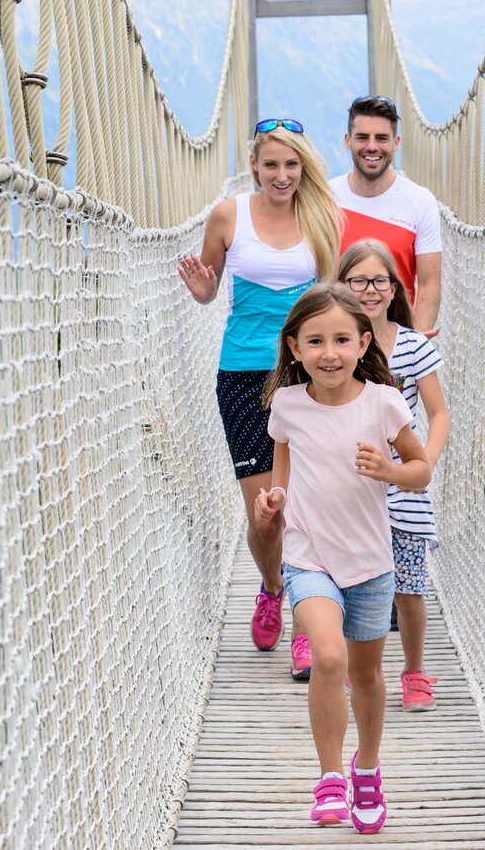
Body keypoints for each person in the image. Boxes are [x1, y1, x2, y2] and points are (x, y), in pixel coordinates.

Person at [251, 284, 432, 833]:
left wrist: (391, 472)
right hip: (309, 556)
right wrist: (273, 503)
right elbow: (282, 472)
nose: (328, 352)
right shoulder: (287, 405)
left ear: (363, 343)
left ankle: (367, 770)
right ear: (294, 347)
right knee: (328, 658)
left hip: (371, 562)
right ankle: (330, 776)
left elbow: (420, 472)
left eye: (340, 340)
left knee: (368, 672)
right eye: (315, 341)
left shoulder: (384, 402)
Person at [178, 118, 344, 653]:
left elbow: (334, 302)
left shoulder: (323, 217)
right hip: (243, 375)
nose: (281, 175)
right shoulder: (228, 215)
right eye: (271, 164)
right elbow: (209, 290)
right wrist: (204, 289)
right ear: (253, 165)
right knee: (268, 514)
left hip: (304, 373)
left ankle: (304, 620)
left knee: (304, 507)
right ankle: (272, 586)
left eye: (291, 164)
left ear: (303, 167)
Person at [336, 240, 450, 712]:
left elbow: (438, 412)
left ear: (393, 287)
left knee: (408, 585)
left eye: (379, 280)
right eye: (357, 280)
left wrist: (421, 463)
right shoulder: (337, 343)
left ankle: (414, 669)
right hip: (348, 485)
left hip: (402, 483)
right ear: (341, 287)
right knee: (349, 580)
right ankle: (356, 669)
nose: (369, 290)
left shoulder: (412, 345)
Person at [330, 95, 444, 334]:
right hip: (337, 342)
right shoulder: (325, 199)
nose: (372, 146)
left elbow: (429, 283)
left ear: (396, 142)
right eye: (362, 137)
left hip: (397, 341)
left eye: (382, 138)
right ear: (347, 140)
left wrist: (415, 344)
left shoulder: (420, 201)